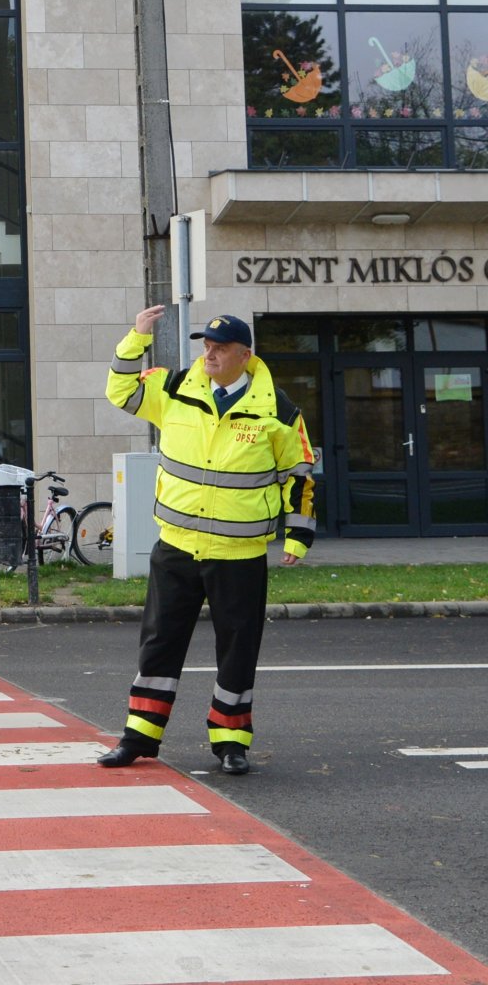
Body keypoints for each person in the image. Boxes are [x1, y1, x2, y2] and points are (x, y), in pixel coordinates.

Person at [98, 307, 316, 776]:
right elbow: (120, 391)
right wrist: (136, 338)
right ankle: (138, 737)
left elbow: (298, 476)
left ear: (245, 355)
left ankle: (231, 742)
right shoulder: (174, 388)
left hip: (238, 554)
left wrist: (298, 535)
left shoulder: (278, 410)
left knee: (238, 648)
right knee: (159, 645)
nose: (210, 353)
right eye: (206, 345)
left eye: (220, 348)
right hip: (176, 546)